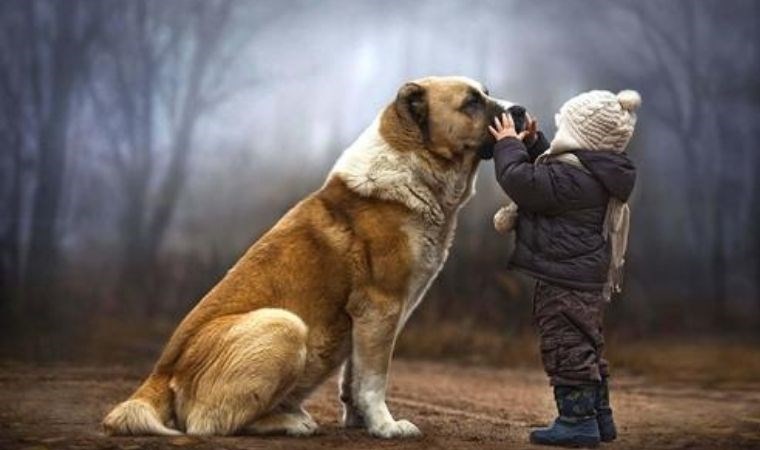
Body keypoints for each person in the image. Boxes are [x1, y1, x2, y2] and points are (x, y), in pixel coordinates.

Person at [488, 90, 640, 447]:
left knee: (566, 345)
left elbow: (521, 181)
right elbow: (551, 173)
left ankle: (576, 422)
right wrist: (534, 143)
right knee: (586, 344)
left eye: (563, 130)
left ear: (580, 137)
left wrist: (507, 145)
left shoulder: (571, 180)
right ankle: (599, 417)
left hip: (564, 278)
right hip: (581, 276)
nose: (558, 136)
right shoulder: (593, 172)